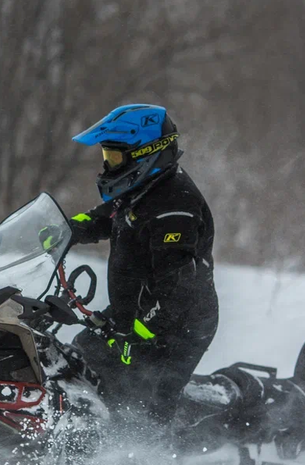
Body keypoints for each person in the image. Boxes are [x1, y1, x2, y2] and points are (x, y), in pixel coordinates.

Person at [67, 104, 219, 429]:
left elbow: (177, 292)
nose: (108, 166)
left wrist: (136, 337)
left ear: (147, 154)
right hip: (135, 313)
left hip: (177, 328)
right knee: (78, 364)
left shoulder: (174, 209)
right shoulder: (143, 190)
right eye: (107, 157)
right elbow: (113, 214)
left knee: (140, 410)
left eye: (116, 158)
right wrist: (68, 229)